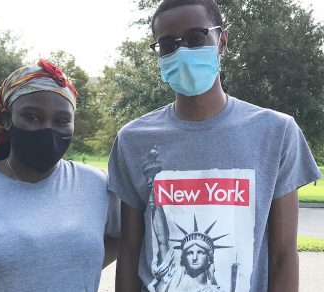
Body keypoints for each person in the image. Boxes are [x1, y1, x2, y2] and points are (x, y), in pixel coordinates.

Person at [108, 1, 322, 292]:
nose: (181, 52)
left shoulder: (277, 133)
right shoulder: (133, 140)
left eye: (196, 38)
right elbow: (131, 251)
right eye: (168, 44)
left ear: (221, 41)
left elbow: (283, 256)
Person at [0, 60, 120, 292]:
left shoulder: (96, 185)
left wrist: (69, 270)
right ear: (7, 119)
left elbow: (124, 236)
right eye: (33, 117)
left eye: (62, 121)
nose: (48, 129)